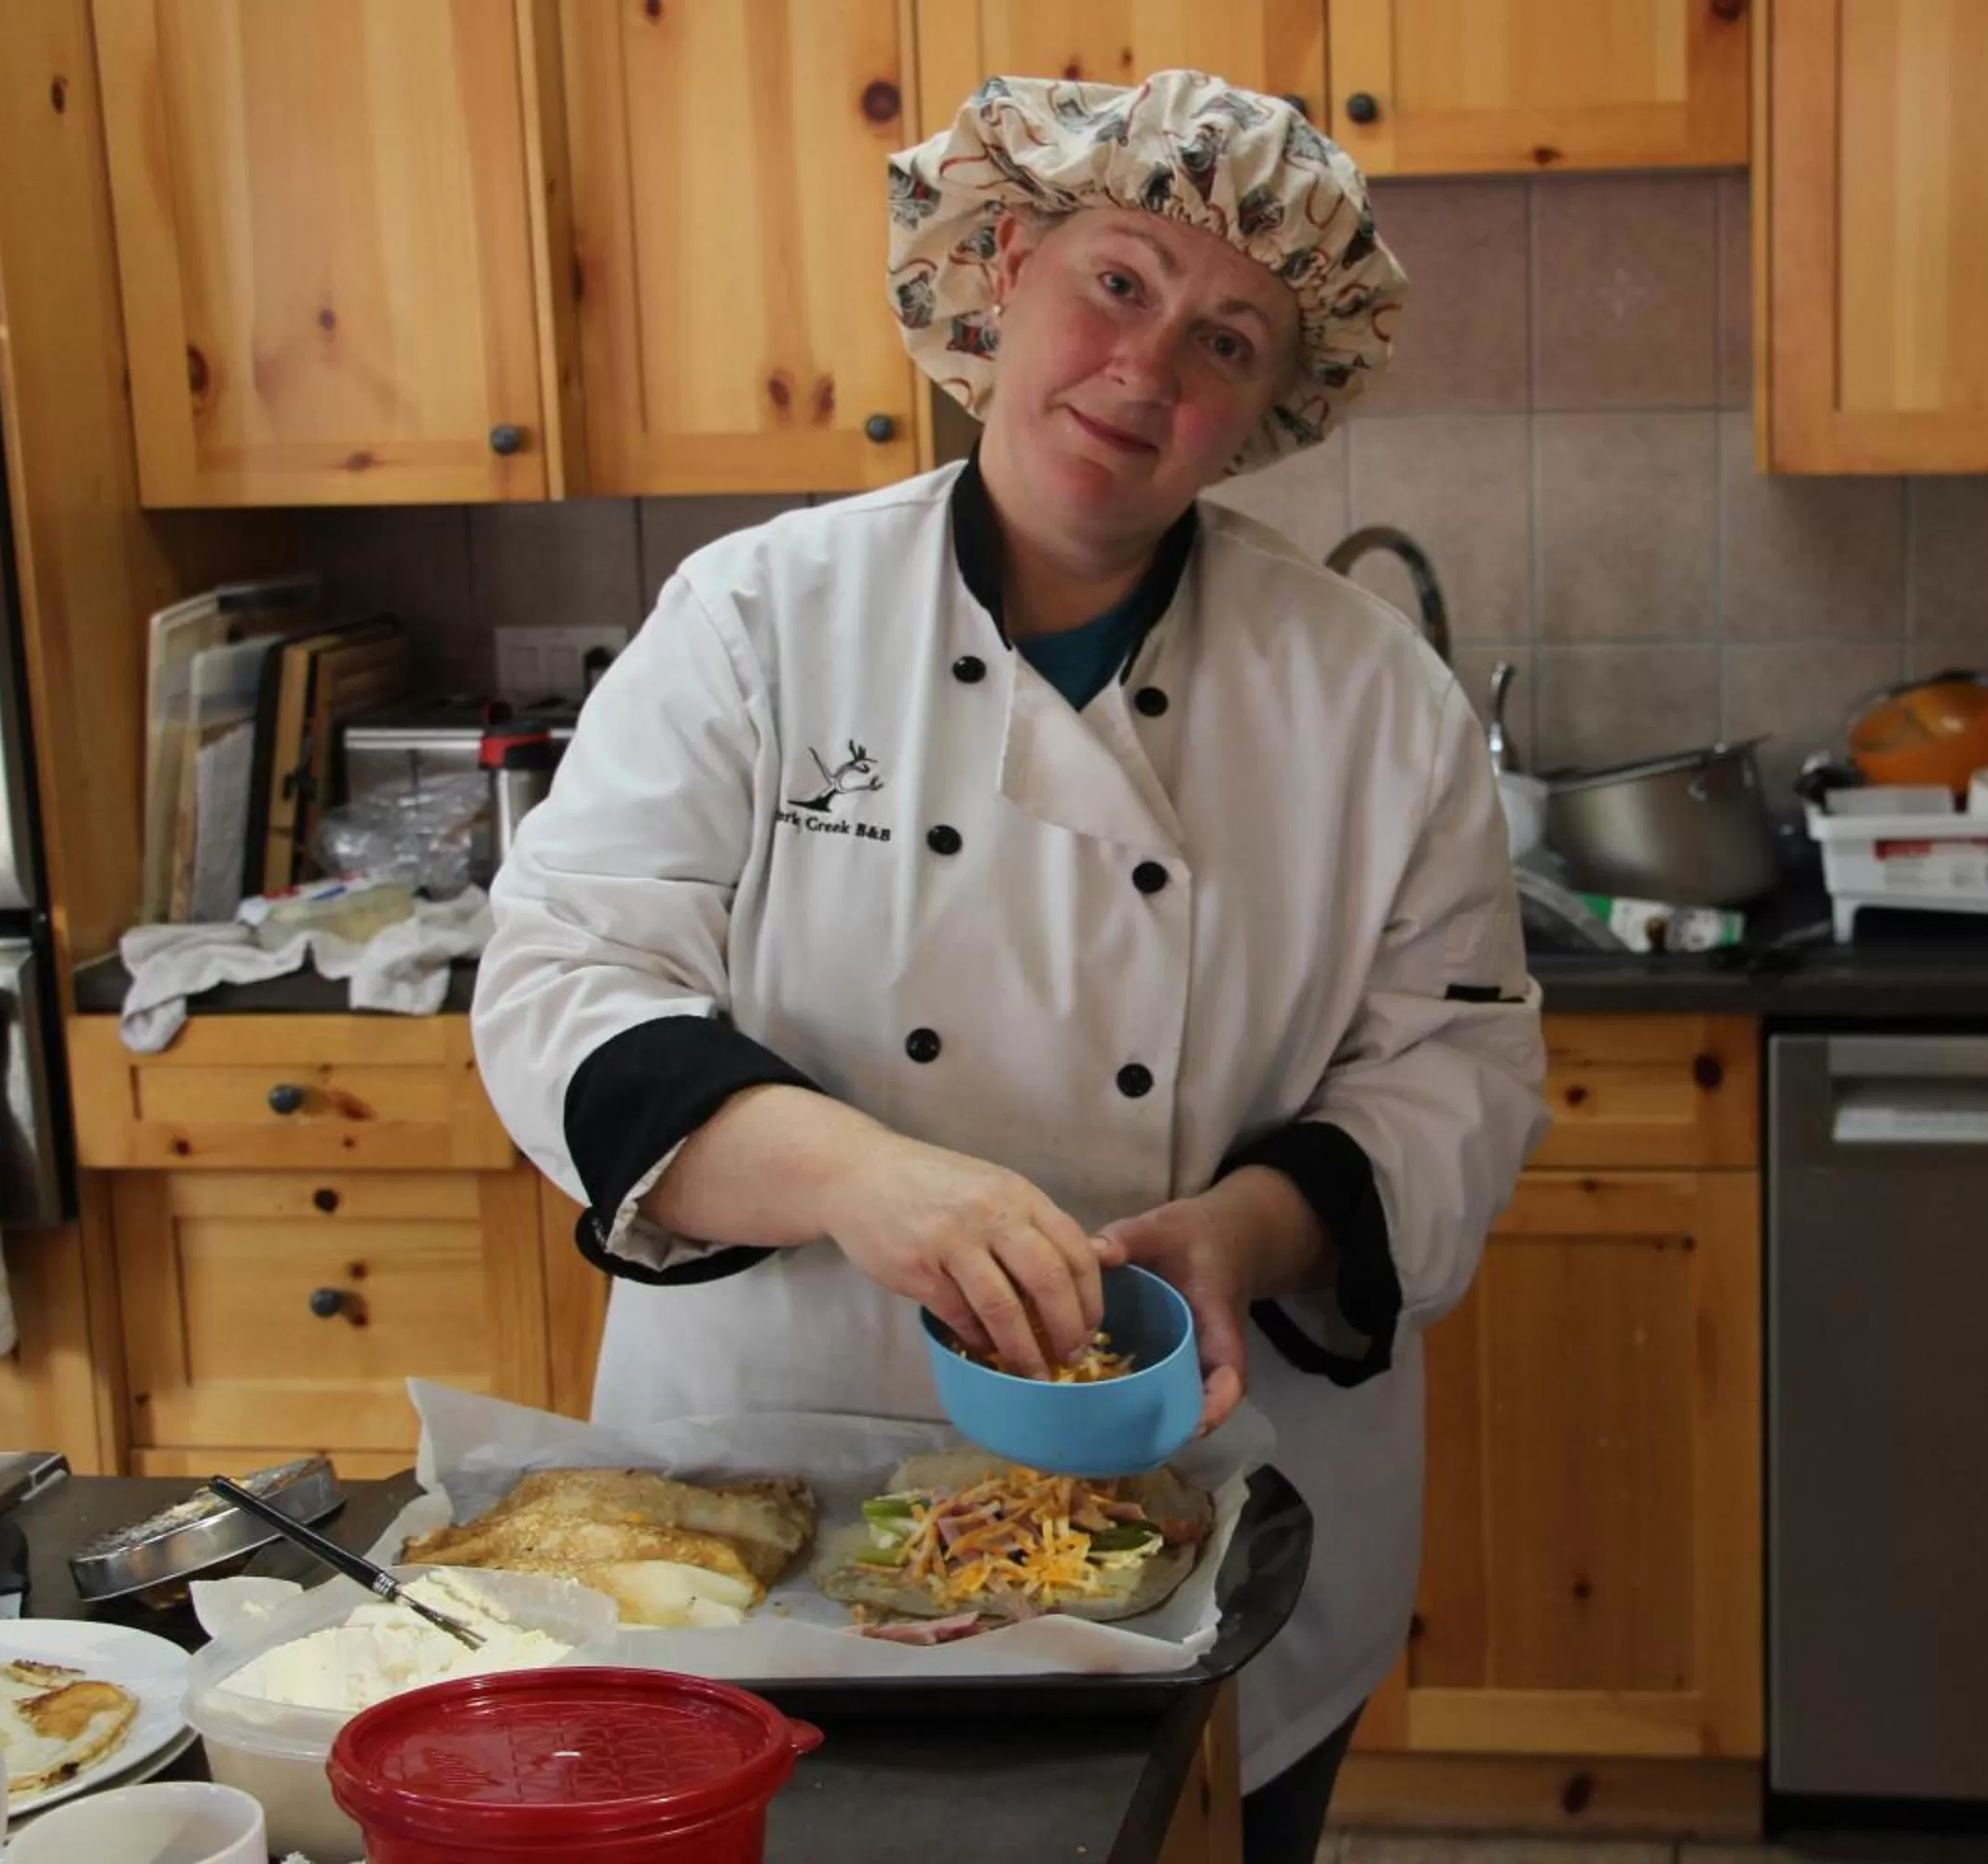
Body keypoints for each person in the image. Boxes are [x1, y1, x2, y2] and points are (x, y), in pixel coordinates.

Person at [470, 68, 1548, 1861]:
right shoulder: (759, 619)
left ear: (1271, 410)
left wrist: (1246, 1233)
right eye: (1117, 283)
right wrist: (856, 1176)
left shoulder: (1372, 698)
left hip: (1211, 1517)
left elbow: (1456, 1072)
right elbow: (567, 981)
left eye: (1226, 343)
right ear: (1003, 270)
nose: (1145, 370)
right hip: (759, 1525)